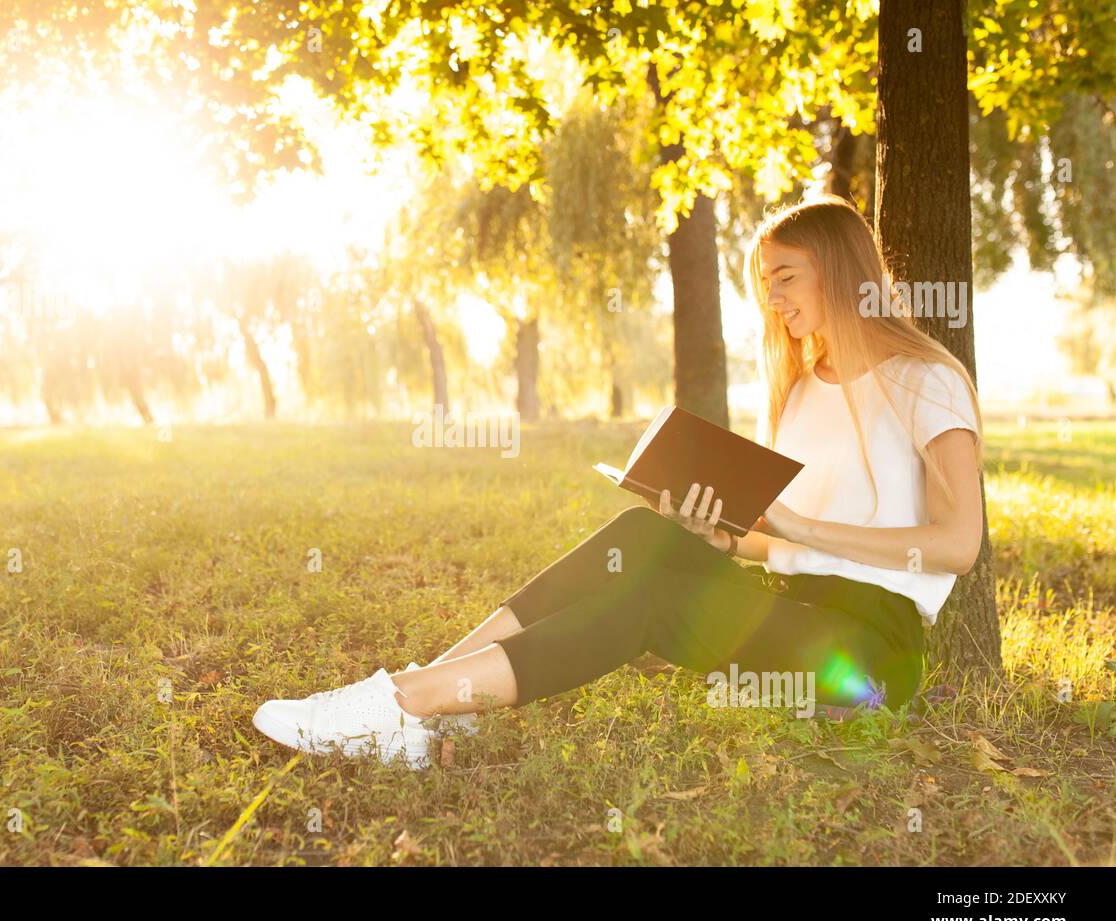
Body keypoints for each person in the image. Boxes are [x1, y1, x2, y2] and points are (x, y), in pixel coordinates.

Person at [252, 194, 986, 770]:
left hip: (872, 651)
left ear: (841, 269)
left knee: (657, 597)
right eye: (764, 285)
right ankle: (436, 695)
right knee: (647, 535)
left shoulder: (924, 380)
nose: (774, 300)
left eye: (786, 279)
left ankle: (396, 704)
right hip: (792, 611)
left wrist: (799, 528)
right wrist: (722, 536)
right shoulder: (800, 389)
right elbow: (787, 550)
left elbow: (958, 546)